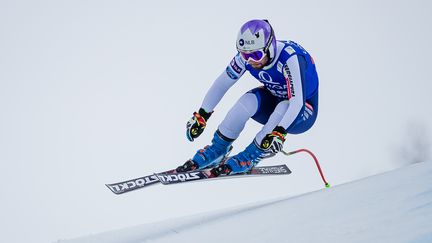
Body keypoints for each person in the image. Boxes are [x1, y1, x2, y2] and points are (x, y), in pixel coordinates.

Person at [177, 19, 319, 177]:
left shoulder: (290, 59)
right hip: (275, 99)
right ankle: (218, 149)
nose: (250, 61)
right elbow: (222, 83)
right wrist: (202, 115)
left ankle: (252, 155)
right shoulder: (246, 58)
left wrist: (280, 132)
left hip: (303, 111)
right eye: (245, 55)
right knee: (248, 100)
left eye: (256, 55)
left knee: (284, 105)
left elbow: (297, 102)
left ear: (270, 47)